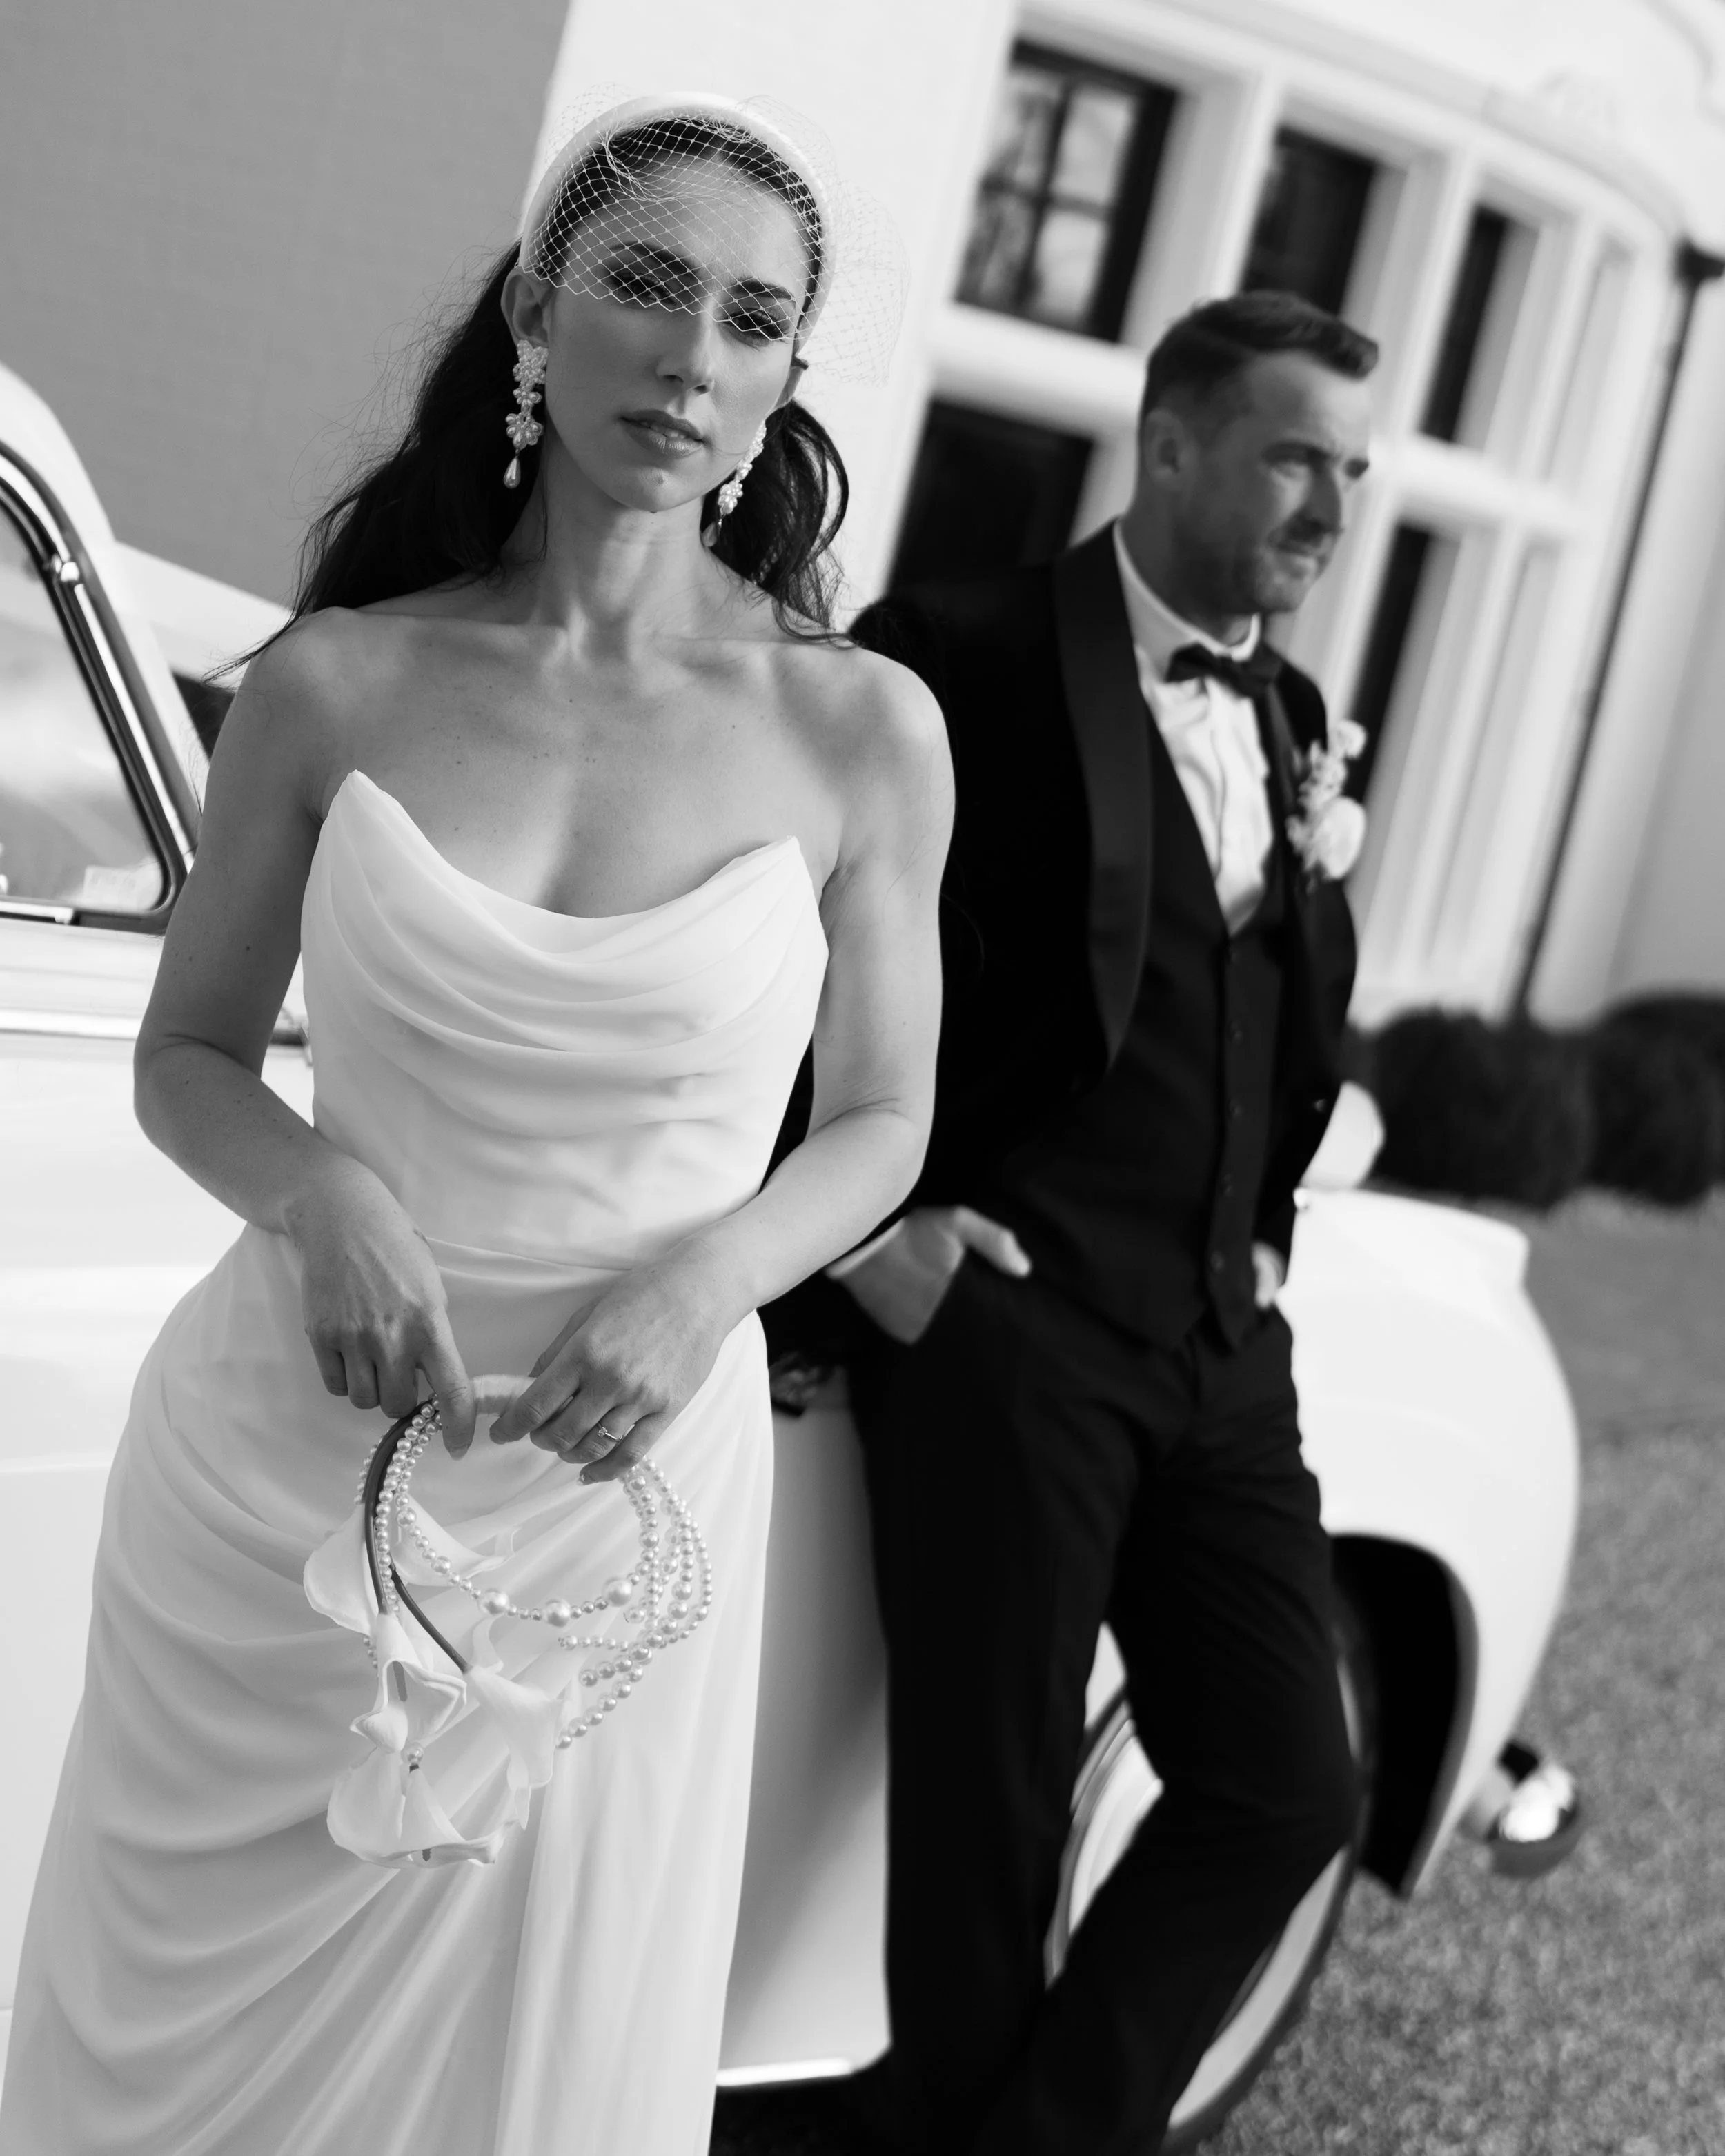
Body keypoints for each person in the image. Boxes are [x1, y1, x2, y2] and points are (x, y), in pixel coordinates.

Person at [0, 92, 947, 2156]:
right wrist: (320, 1189)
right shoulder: (337, 684)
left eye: (754, 318)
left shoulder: (860, 730)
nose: (691, 357)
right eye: (643, 284)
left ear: (787, 377)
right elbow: (187, 1057)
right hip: (275, 1485)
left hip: (618, 1515)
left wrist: (708, 1277)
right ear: (535, 305)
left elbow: (880, 1122)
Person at [769, 289, 1377, 2155]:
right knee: (986, 1822)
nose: (1329, 514)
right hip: (1007, 1326)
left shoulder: (1287, 713)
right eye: (1293, 456)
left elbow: (1260, 1001)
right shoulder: (950, 649)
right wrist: (878, 1240)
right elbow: (781, 949)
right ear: (1170, 440)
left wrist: (1261, 1228)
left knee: (1289, 1783)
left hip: (1213, 1339)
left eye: (1352, 471)